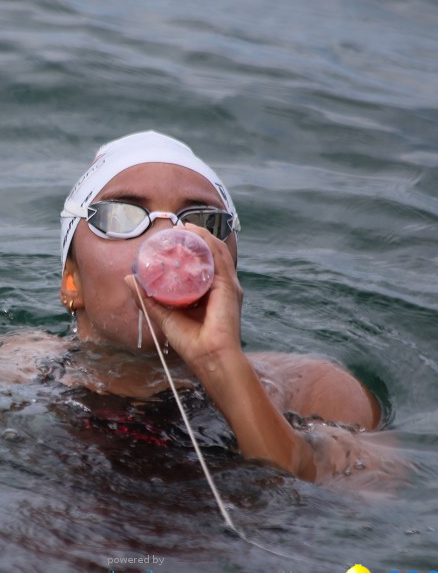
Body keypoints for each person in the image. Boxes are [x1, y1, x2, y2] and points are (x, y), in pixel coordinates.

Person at [53, 131, 391, 484]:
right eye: (118, 217)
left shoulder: (314, 392)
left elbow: (342, 508)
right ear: (71, 281)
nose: (167, 238)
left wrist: (219, 363)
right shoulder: (8, 374)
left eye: (202, 221)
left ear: (229, 265)